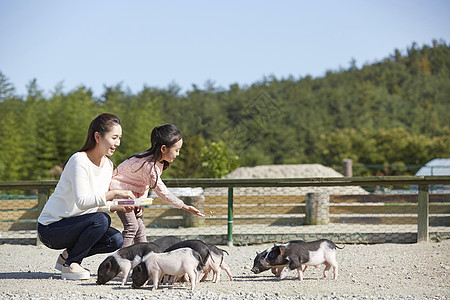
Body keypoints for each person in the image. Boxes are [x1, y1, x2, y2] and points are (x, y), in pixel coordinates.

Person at [37, 113, 135, 280]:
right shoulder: (78, 160)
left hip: (78, 223)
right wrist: (114, 193)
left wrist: (118, 206)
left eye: (120, 138)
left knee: (115, 239)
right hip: (51, 228)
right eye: (114, 137)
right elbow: (83, 201)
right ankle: (72, 264)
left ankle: (66, 258)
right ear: (98, 137)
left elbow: (96, 203)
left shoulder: (108, 165)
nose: (118, 143)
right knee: (101, 220)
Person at [109, 124, 205, 248]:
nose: (178, 154)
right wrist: (184, 206)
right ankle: (120, 260)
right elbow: (162, 192)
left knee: (140, 228)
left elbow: (145, 184)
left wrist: (140, 202)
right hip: (119, 192)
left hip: (131, 194)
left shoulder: (156, 162)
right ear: (164, 149)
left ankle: (143, 257)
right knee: (132, 227)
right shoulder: (149, 166)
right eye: (176, 150)